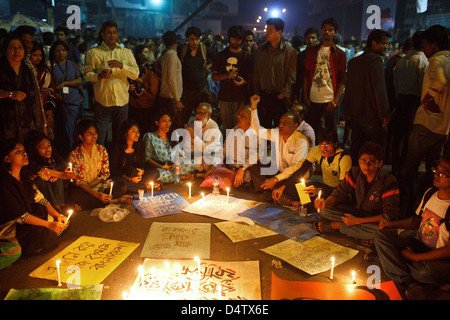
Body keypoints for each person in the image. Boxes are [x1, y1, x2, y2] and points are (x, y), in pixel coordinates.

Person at [372, 152, 450, 300]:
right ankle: (408, 282)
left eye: (443, 173)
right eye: (436, 170)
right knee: (380, 235)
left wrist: (415, 257)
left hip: (440, 258)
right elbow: (416, 221)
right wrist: (390, 224)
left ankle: (391, 264)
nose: (437, 174)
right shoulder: (430, 193)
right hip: (419, 244)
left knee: (425, 273)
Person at [400, 25, 450, 219]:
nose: (424, 50)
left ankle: (409, 209)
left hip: (427, 124)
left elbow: (439, 82)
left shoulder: (437, 60)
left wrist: (429, 98)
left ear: (434, 44)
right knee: (433, 171)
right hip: (443, 127)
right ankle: (426, 207)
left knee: (409, 169)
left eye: (425, 45)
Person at [313, 141, 399, 246]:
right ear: (359, 161)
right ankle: (359, 233)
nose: (366, 166)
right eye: (363, 161)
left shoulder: (388, 180)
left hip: (375, 220)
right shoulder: (355, 172)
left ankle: (337, 226)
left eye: (371, 162)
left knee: (383, 231)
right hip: (357, 212)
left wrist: (357, 221)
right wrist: (325, 203)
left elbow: (388, 215)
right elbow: (340, 193)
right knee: (324, 211)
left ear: (380, 163)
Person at [0, 139, 67, 257]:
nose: (24, 154)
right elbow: (20, 216)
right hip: (12, 226)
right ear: (7, 159)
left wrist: (57, 215)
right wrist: (48, 225)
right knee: (41, 232)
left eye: (24, 150)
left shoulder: (24, 176)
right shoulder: (4, 183)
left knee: (58, 219)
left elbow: (40, 199)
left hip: (27, 219)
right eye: (18, 152)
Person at [84, 20, 140, 146]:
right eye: (109, 33)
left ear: (118, 34)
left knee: (120, 136)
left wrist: (122, 66)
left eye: (114, 32)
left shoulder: (125, 53)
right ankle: (99, 162)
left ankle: (117, 162)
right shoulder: (93, 53)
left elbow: (135, 74)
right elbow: (87, 76)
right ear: (102, 34)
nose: (112, 35)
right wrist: (99, 76)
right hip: (103, 100)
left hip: (122, 100)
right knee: (100, 136)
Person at [248, 94, 309, 200]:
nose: (280, 125)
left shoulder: (301, 141)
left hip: (294, 176)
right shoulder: (277, 133)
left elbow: (296, 168)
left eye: (285, 123)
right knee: (255, 166)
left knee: (297, 188)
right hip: (279, 172)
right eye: (280, 122)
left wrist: (275, 179)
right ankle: (266, 190)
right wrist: (254, 107)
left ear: (295, 126)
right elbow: (256, 130)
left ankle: (279, 191)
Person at [344, 29, 391, 163]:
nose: (386, 47)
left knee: (357, 151)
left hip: (355, 114)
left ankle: (355, 180)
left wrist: (347, 113)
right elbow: (380, 90)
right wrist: (385, 114)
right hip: (371, 116)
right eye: (384, 44)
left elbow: (349, 91)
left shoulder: (353, 62)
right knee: (374, 153)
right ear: (374, 43)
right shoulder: (376, 60)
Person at [272, 129, 352, 207]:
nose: (324, 149)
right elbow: (301, 170)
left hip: (337, 192)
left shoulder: (344, 158)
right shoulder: (317, 151)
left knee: (318, 200)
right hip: (323, 186)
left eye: (327, 145)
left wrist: (318, 191)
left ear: (335, 144)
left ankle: (298, 204)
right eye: (322, 144)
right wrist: (282, 188)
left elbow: (343, 190)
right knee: (294, 188)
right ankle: (302, 203)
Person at [67, 119, 127, 211]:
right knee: (73, 195)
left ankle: (86, 206)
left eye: (95, 133)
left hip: (99, 185)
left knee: (122, 187)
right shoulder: (75, 154)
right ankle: (113, 201)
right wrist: (97, 195)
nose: (94, 136)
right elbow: (78, 181)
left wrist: (92, 185)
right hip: (83, 189)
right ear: (81, 137)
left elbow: (105, 173)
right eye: (89, 134)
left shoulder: (101, 150)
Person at [391, 32, 428, 178]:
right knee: (409, 139)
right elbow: (423, 88)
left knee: (397, 138)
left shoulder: (402, 61)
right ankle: (405, 173)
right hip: (414, 103)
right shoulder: (423, 62)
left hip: (401, 101)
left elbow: (396, 84)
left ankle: (395, 168)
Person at [303, 18, 346, 142]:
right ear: (321, 31)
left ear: (335, 32)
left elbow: (343, 80)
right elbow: (306, 75)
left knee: (331, 133)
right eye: (324, 29)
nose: (327, 32)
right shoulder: (312, 52)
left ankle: (331, 158)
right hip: (313, 98)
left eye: (330, 30)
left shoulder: (339, 54)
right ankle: (313, 158)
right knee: (312, 131)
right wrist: (306, 97)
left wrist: (335, 101)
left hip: (329, 99)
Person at [0, 35, 47, 142]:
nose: (17, 51)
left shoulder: (28, 70)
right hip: (5, 124)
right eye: (12, 48)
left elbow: (37, 100)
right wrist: (9, 94)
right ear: (5, 50)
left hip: (28, 123)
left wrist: (43, 124)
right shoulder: (2, 68)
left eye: (20, 47)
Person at [253, 18, 297, 128]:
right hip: (263, 95)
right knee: (263, 127)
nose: (267, 33)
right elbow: (257, 72)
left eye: (270, 30)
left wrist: (283, 94)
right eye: (267, 29)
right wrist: (257, 92)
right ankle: (265, 146)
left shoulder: (289, 51)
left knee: (280, 129)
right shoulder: (261, 49)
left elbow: (292, 76)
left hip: (279, 96)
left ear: (279, 32)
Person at [212, 25, 253, 134]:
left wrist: (244, 81)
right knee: (227, 128)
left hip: (241, 98)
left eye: (238, 39)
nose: (236, 41)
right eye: (233, 38)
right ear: (229, 38)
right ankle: (227, 150)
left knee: (240, 129)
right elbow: (214, 77)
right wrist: (226, 75)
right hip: (225, 97)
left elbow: (251, 78)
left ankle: (239, 150)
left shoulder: (246, 56)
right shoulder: (221, 56)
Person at [24, 131, 75, 212]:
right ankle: (56, 209)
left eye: (49, 146)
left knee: (56, 178)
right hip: (39, 192)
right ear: (34, 149)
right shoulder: (30, 162)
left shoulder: (54, 157)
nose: (48, 150)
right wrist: (61, 174)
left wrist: (61, 173)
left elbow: (63, 166)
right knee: (43, 179)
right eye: (42, 147)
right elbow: (41, 171)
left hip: (57, 190)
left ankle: (59, 207)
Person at [49, 40, 84, 154]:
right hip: (58, 100)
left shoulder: (72, 65)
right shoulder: (50, 66)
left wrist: (65, 83)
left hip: (73, 100)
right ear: (53, 52)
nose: (61, 53)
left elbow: (79, 80)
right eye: (58, 50)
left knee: (72, 126)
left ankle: (72, 150)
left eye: (63, 50)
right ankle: (65, 151)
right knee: (61, 128)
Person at [109, 120, 160, 194]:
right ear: (125, 133)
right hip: (122, 176)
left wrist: (141, 171)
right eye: (133, 131)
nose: (137, 134)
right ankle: (144, 187)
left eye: (138, 131)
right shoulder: (116, 146)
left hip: (135, 175)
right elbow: (113, 169)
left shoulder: (139, 146)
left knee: (155, 172)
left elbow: (142, 164)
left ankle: (137, 187)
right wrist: (129, 178)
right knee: (118, 182)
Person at [143, 111, 196, 183]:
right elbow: (147, 158)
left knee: (192, 163)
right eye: (164, 121)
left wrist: (177, 163)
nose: (167, 124)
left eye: (169, 121)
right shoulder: (149, 136)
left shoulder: (172, 135)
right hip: (160, 168)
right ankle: (178, 176)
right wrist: (161, 166)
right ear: (157, 122)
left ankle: (175, 176)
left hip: (173, 166)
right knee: (155, 174)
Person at [178, 26, 215, 128]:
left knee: (201, 121)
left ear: (200, 39)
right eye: (192, 39)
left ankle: (199, 141)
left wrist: (209, 67)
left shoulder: (204, 50)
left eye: (197, 39)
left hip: (201, 91)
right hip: (186, 92)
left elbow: (218, 58)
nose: (194, 42)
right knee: (183, 119)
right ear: (187, 39)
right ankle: (183, 141)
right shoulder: (182, 50)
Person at [29, 41, 62, 141]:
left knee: (49, 119)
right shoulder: (27, 70)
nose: (38, 58)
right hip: (32, 103)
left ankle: (49, 141)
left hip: (46, 102)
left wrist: (46, 91)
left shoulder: (45, 71)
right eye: (35, 55)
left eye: (40, 55)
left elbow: (52, 86)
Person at [128, 44, 159, 134]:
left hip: (147, 106)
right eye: (145, 52)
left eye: (148, 52)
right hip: (133, 105)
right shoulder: (132, 67)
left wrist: (144, 91)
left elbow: (153, 95)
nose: (147, 55)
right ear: (138, 54)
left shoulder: (152, 69)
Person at [185, 102, 222, 173]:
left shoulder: (213, 127)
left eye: (201, 113)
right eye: (196, 113)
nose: (197, 116)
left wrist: (194, 136)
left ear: (209, 115)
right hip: (195, 155)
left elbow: (207, 149)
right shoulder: (192, 123)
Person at [157, 30, 184, 129]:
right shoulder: (172, 56)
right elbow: (171, 79)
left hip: (165, 97)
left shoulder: (165, 55)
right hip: (170, 98)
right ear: (176, 41)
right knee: (173, 128)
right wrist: (177, 100)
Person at [293, 27, 319, 103]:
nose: (310, 40)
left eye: (313, 38)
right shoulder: (300, 56)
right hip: (303, 92)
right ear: (305, 39)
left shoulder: (322, 55)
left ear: (317, 39)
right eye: (308, 38)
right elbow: (297, 76)